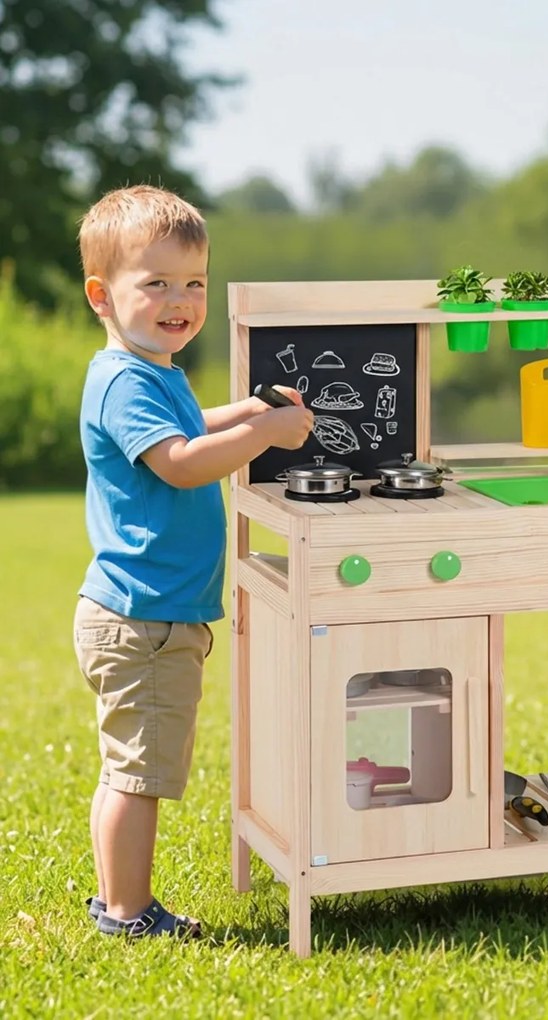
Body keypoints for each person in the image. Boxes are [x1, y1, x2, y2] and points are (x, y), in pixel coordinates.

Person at [73, 185, 314, 937]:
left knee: (131, 767)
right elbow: (180, 461)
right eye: (156, 284)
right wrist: (269, 431)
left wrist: (241, 412)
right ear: (101, 296)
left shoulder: (155, 373)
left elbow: (186, 427)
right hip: (142, 617)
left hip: (152, 613)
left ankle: (118, 898)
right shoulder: (123, 379)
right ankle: (127, 911)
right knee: (138, 775)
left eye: (194, 283)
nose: (179, 300)